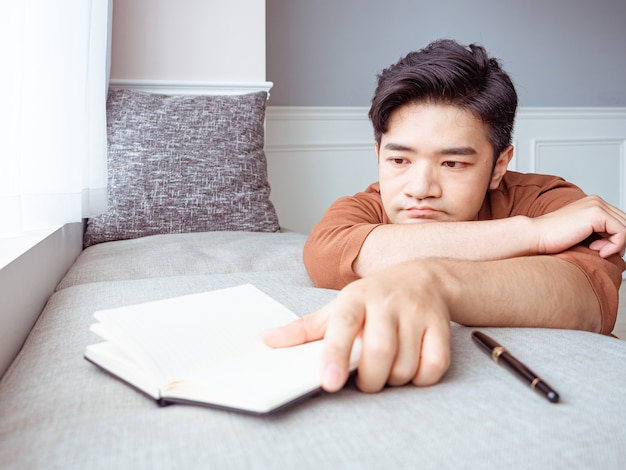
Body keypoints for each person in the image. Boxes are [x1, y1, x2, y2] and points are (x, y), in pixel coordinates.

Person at [262, 39, 626, 395]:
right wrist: (533, 235)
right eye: (399, 160)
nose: (420, 188)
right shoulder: (365, 206)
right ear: (378, 154)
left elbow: (588, 298)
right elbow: (328, 252)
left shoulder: (548, 199)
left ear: (499, 165)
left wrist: (435, 281)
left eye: (452, 163)